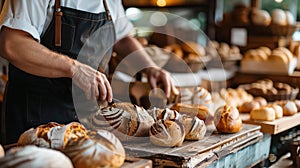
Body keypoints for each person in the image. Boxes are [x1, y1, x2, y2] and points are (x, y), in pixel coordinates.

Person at [0, 0, 178, 145]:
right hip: (36, 117)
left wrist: (149, 67)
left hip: (89, 119)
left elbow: (122, 38)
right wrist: (74, 68)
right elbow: (11, 43)